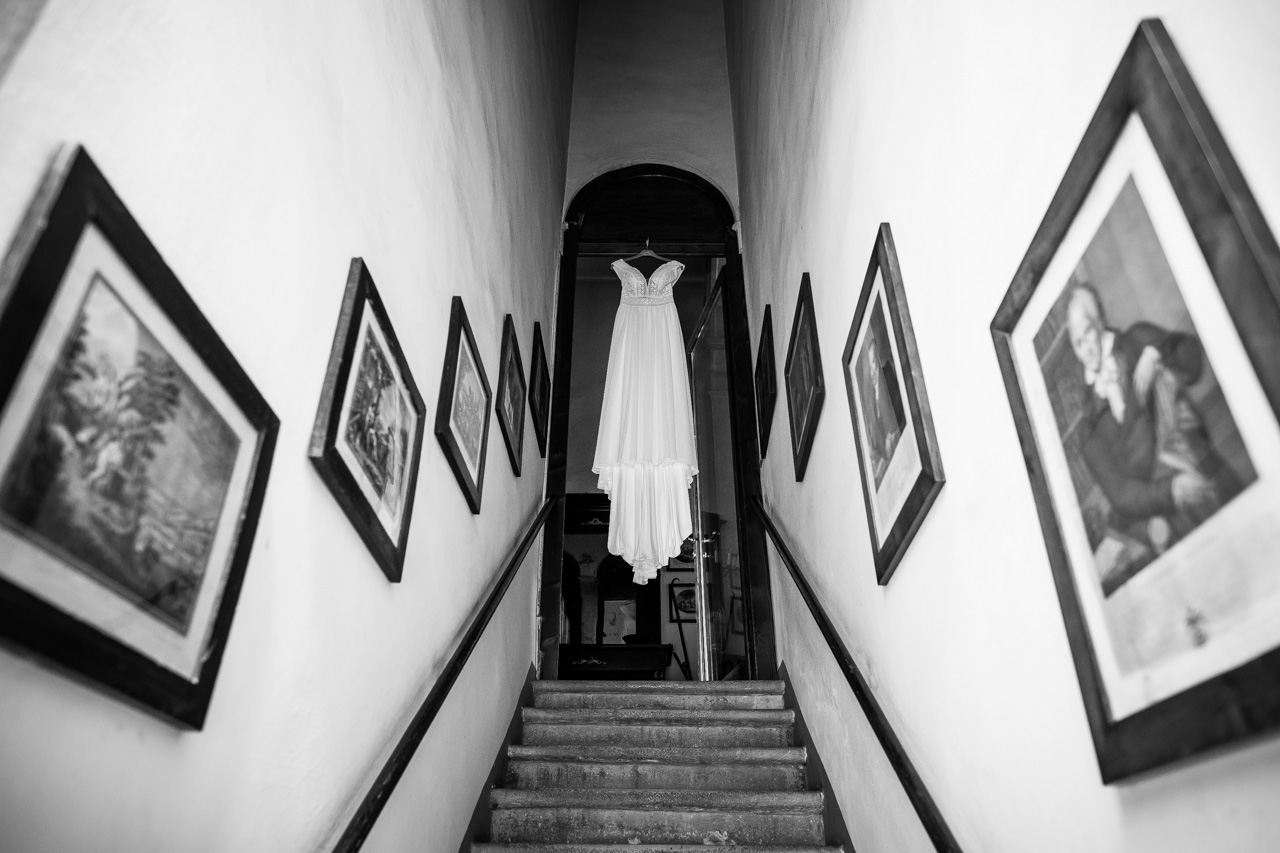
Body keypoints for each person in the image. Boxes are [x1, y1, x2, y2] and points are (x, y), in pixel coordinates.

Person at [1065, 284, 1240, 553]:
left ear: (1099, 322)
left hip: (1197, 466)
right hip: (1163, 507)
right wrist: (1171, 492)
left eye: (1087, 331)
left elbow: (1193, 362)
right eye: (1078, 343)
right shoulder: (1088, 423)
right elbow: (1120, 494)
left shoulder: (1135, 341)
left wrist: (1157, 352)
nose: (1086, 349)